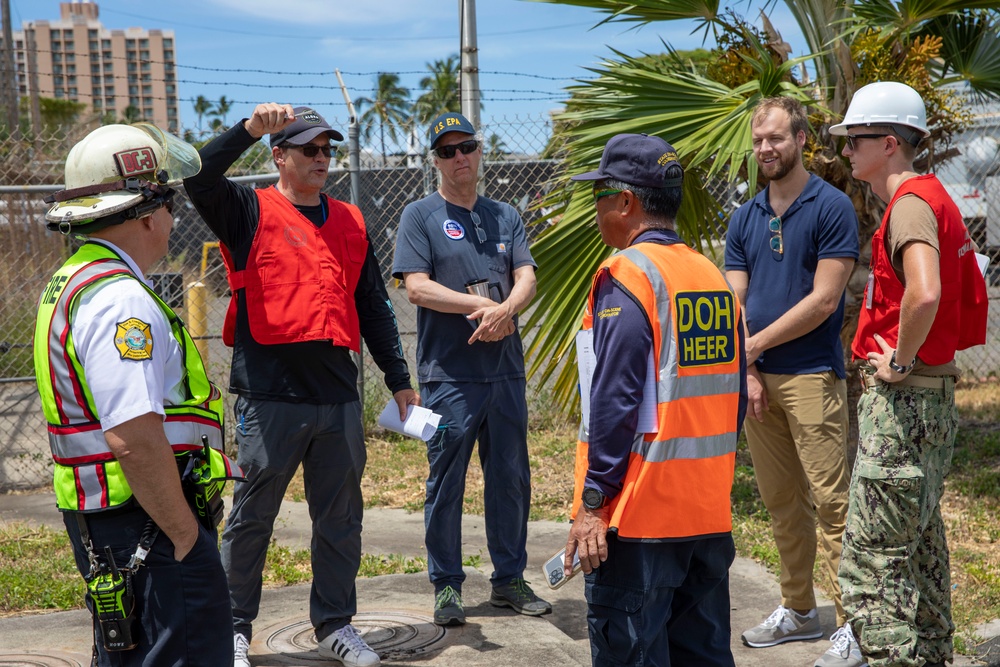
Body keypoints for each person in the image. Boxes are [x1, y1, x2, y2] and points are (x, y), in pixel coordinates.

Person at [184, 103, 419, 667]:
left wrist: (399, 379)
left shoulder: (351, 220)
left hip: (337, 396)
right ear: (280, 156)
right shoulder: (247, 210)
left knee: (339, 519)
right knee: (252, 517)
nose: (321, 158)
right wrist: (248, 128)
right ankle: (231, 628)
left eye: (327, 149)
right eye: (309, 149)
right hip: (271, 396)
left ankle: (335, 624)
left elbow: (373, 307)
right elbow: (198, 175)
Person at [34, 124, 235, 665]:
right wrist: (185, 536)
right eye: (168, 200)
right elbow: (134, 438)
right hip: (147, 522)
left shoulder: (74, 279)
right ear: (147, 213)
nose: (173, 218)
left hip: (112, 519)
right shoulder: (123, 300)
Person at [816, 81, 988, 667]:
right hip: (932, 401)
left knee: (869, 569)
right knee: (920, 552)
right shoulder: (934, 197)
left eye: (854, 140)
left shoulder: (910, 202)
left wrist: (898, 359)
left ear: (888, 143)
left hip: (905, 404)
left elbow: (926, 292)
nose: (845, 151)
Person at [564, 133, 747, 667]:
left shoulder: (630, 275)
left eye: (600, 193)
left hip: (641, 518)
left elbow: (615, 399)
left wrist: (594, 505)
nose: (596, 207)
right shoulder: (711, 277)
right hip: (707, 512)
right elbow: (731, 400)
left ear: (626, 202)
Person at [392, 111, 550, 627]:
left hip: (504, 372)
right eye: (447, 151)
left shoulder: (506, 215)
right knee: (446, 480)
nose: (459, 157)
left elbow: (526, 275)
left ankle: (509, 580)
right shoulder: (419, 216)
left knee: (510, 479)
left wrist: (507, 309)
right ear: (435, 161)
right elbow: (415, 286)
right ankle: (447, 586)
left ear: (480, 152)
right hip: (449, 377)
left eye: (467, 147)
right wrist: (478, 307)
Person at [725, 96, 858, 649]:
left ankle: (853, 623)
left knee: (832, 504)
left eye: (776, 138)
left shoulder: (831, 207)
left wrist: (752, 348)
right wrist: (747, 369)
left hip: (811, 376)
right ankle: (799, 610)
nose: (766, 149)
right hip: (758, 381)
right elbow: (735, 299)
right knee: (782, 504)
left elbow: (825, 300)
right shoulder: (744, 216)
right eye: (758, 140)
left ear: (802, 139)